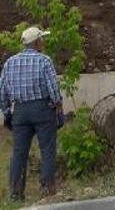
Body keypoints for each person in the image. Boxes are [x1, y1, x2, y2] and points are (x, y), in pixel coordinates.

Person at [0, 27, 63, 200]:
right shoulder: (44, 61)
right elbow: (53, 89)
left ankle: (15, 192)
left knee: (19, 152)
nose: (43, 42)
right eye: (42, 39)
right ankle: (47, 189)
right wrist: (58, 108)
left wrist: (7, 113)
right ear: (36, 42)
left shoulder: (10, 63)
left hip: (20, 111)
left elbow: (3, 91)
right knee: (48, 149)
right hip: (42, 109)